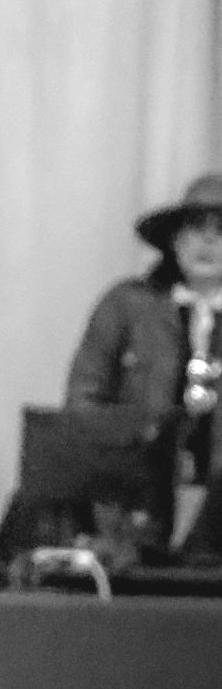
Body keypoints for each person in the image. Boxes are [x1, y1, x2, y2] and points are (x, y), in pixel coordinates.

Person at [66, 173, 222, 550]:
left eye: (221, 230)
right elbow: (83, 405)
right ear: (174, 240)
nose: (208, 241)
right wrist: (131, 447)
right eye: (195, 228)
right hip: (135, 503)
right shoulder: (128, 306)